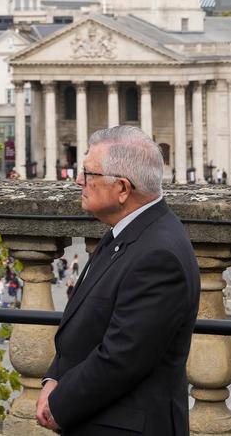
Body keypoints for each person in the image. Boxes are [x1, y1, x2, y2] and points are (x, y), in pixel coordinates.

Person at [36, 126, 200, 436]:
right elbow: (85, 328)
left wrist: (59, 405)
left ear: (122, 188)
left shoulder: (159, 256)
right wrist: (53, 378)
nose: (78, 181)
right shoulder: (126, 232)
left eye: (88, 173)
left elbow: (122, 359)